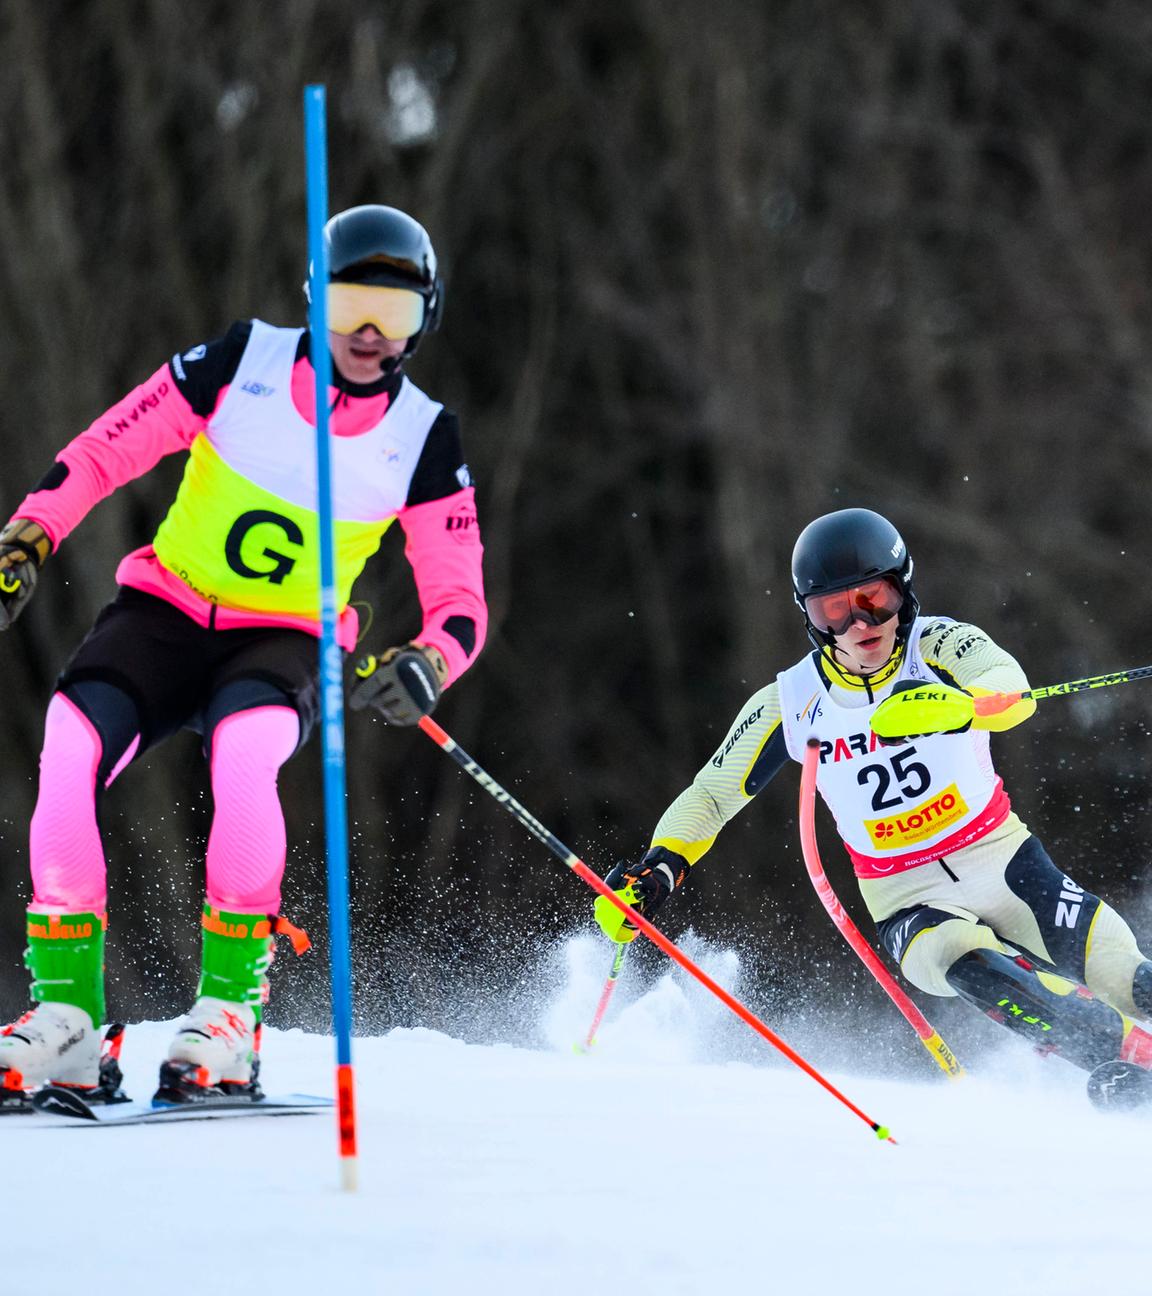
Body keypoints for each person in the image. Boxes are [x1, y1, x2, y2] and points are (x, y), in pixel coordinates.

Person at [0, 204, 486, 1104]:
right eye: (348, 307)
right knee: (68, 748)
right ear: (313, 298)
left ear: (428, 317)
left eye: (398, 313)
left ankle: (229, 1015)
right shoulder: (244, 359)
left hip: (287, 635)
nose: (371, 335)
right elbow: (111, 447)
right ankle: (66, 1021)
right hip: (167, 606)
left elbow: (460, 602)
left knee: (246, 755)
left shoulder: (424, 436)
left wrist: (426, 662)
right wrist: (32, 532)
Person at [594, 507, 1152, 1109]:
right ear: (811, 616)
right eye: (835, 608)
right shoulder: (790, 701)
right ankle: (1120, 1056)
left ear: (902, 591)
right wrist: (658, 869)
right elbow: (711, 793)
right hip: (904, 894)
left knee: (1125, 974)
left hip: (1004, 859)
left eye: (875, 598)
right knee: (959, 962)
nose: (860, 622)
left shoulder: (938, 644)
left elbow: (1009, 688)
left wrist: (960, 706)